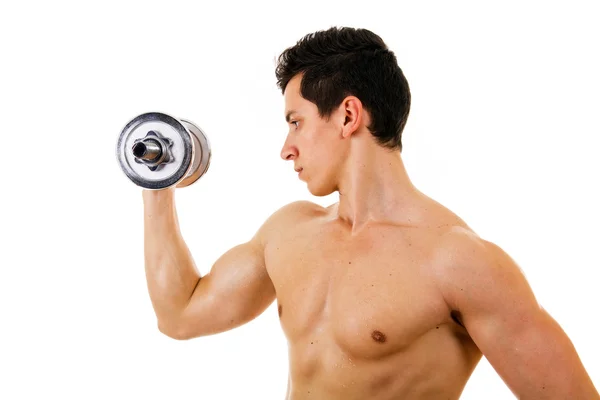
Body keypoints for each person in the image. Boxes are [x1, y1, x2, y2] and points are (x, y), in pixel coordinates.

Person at [141, 27, 599, 399]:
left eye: (295, 122)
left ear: (347, 115)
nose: (286, 149)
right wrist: (155, 182)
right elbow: (180, 315)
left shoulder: (459, 263)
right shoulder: (289, 232)